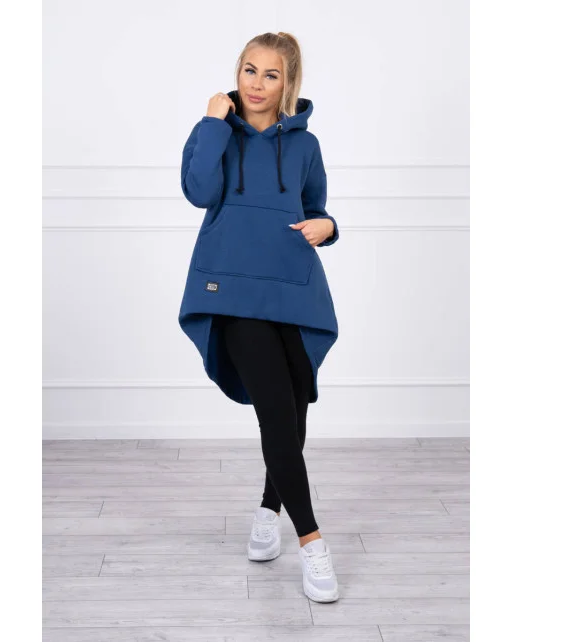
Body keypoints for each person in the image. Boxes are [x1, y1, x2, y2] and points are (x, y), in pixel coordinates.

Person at [177, 32, 340, 603]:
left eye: (271, 75)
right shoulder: (214, 132)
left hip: (293, 288)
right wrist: (213, 122)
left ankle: (269, 512)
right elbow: (199, 191)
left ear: (288, 82)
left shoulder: (305, 144)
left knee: (293, 412)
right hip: (233, 291)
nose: (256, 83)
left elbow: (315, 208)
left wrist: (329, 226)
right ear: (237, 71)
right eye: (249, 69)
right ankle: (313, 543)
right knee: (275, 413)